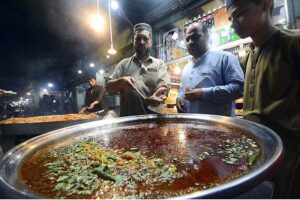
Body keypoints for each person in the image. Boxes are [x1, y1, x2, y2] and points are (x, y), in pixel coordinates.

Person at [226, 0, 300, 197]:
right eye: (230, 18)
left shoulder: (293, 43)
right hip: (258, 152)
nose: (233, 23)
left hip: (291, 155)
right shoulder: (248, 57)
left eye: (239, 13)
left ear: (266, 4)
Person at [176, 22, 244, 116]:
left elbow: (239, 88)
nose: (190, 42)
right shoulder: (186, 68)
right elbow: (182, 89)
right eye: (187, 39)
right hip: (191, 127)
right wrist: (179, 97)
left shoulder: (225, 58)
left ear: (207, 37)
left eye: (195, 37)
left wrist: (203, 93)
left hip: (220, 128)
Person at [106, 23, 170, 117]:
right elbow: (109, 88)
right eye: (138, 39)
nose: (141, 42)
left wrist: (159, 93)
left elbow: (163, 85)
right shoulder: (123, 64)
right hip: (128, 123)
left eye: (145, 38)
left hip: (153, 123)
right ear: (134, 41)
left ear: (151, 41)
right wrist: (122, 81)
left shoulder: (159, 64)